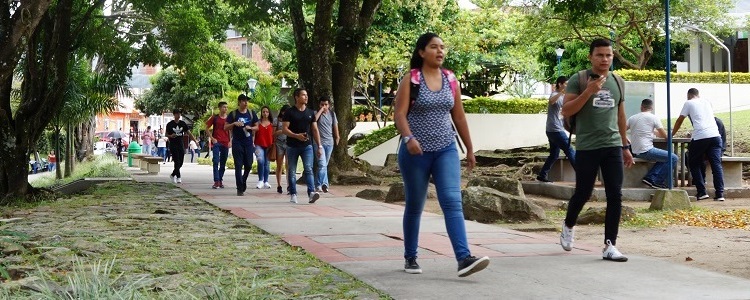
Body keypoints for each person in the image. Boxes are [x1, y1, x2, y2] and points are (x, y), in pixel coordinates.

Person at [393, 32, 489, 277]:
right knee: (415, 205)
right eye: (434, 47)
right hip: (416, 152)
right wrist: (408, 138)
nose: (440, 51)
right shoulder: (411, 79)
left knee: (452, 202)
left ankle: (463, 258)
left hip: (446, 149)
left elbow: (459, 116)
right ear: (421, 52)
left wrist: (469, 148)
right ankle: (410, 256)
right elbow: (399, 114)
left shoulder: (450, 79)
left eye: (442, 47)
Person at [559, 38, 632, 262]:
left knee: (615, 194)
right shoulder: (578, 79)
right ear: (591, 57)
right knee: (583, 192)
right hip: (587, 146)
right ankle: (568, 224)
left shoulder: (618, 81)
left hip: (611, 145)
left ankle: (610, 244)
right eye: (600, 55)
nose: (604, 59)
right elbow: (566, 110)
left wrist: (625, 145)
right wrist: (589, 91)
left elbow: (620, 115)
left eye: (608, 55)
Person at [672, 88, 724, 201]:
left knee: (693, 162)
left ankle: (701, 192)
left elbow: (680, 120)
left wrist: (671, 134)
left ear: (689, 95)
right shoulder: (707, 102)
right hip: (715, 136)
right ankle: (720, 194)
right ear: (698, 94)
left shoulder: (688, 102)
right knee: (716, 165)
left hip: (701, 136)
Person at [627, 99, 679, 189]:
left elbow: (620, 131)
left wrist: (627, 139)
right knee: (673, 158)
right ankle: (656, 181)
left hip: (635, 151)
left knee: (663, 158)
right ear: (652, 107)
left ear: (641, 107)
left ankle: (650, 178)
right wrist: (669, 134)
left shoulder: (632, 118)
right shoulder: (653, 118)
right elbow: (665, 136)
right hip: (646, 150)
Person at [282, 88, 322, 204]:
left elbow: (314, 129)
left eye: (306, 95)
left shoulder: (310, 113)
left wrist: (319, 146)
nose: (306, 97)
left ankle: (311, 193)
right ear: (296, 97)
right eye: (303, 95)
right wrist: (295, 135)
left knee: (309, 169)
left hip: (307, 146)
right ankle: (293, 194)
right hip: (292, 146)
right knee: (292, 170)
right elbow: (284, 129)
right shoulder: (289, 112)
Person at [537, 76, 576, 183]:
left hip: (553, 129)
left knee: (554, 155)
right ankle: (582, 175)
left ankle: (542, 175)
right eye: (566, 84)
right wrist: (561, 92)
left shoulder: (565, 97)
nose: (568, 86)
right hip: (555, 130)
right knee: (570, 150)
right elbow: (551, 101)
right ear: (560, 84)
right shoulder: (554, 94)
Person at [225, 94, 259, 196]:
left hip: (248, 143)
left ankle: (243, 180)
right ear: (239, 102)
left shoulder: (251, 113)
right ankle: (239, 188)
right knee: (238, 165)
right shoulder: (233, 114)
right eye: (244, 101)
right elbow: (225, 127)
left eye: (246, 101)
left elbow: (257, 127)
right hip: (237, 143)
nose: (246, 103)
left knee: (249, 164)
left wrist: (251, 128)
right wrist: (234, 124)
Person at [314, 96, 340, 193]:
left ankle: (323, 184)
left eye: (326, 104)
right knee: (322, 165)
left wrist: (337, 137)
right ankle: (320, 184)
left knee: (324, 165)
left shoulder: (332, 114)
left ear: (329, 105)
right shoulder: (316, 114)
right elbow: (314, 120)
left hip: (329, 143)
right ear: (319, 105)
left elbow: (335, 126)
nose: (324, 106)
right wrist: (321, 110)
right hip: (319, 143)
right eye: (322, 104)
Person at [205, 101, 231, 189]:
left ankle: (220, 179)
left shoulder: (229, 119)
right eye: (224, 107)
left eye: (226, 107)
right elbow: (207, 128)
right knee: (216, 161)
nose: (225, 109)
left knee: (223, 162)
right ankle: (216, 181)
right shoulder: (215, 118)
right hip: (217, 142)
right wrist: (212, 138)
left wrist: (230, 141)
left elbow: (230, 131)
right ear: (219, 108)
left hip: (225, 142)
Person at [166, 108, 195, 184]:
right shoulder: (170, 124)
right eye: (177, 114)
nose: (178, 115)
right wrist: (170, 135)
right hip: (173, 144)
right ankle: (178, 176)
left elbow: (189, 133)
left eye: (179, 114)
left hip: (180, 144)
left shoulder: (182, 124)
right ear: (174, 114)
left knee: (181, 161)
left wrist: (195, 141)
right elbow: (166, 134)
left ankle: (173, 174)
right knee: (176, 161)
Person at [254, 106, 274, 189]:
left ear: (269, 113)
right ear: (261, 113)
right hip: (258, 145)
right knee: (261, 161)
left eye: (267, 112)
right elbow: (254, 133)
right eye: (263, 112)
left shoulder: (272, 123)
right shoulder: (258, 123)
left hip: (269, 145)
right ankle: (260, 180)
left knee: (267, 164)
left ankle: (266, 181)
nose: (265, 113)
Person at [274, 105, 291, 194]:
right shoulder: (277, 120)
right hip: (279, 143)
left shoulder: (292, 120)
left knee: (289, 165)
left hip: (288, 143)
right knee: (279, 165)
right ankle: (279, 185)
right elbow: (273, 133)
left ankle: (289, 185)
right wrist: (282, 131)